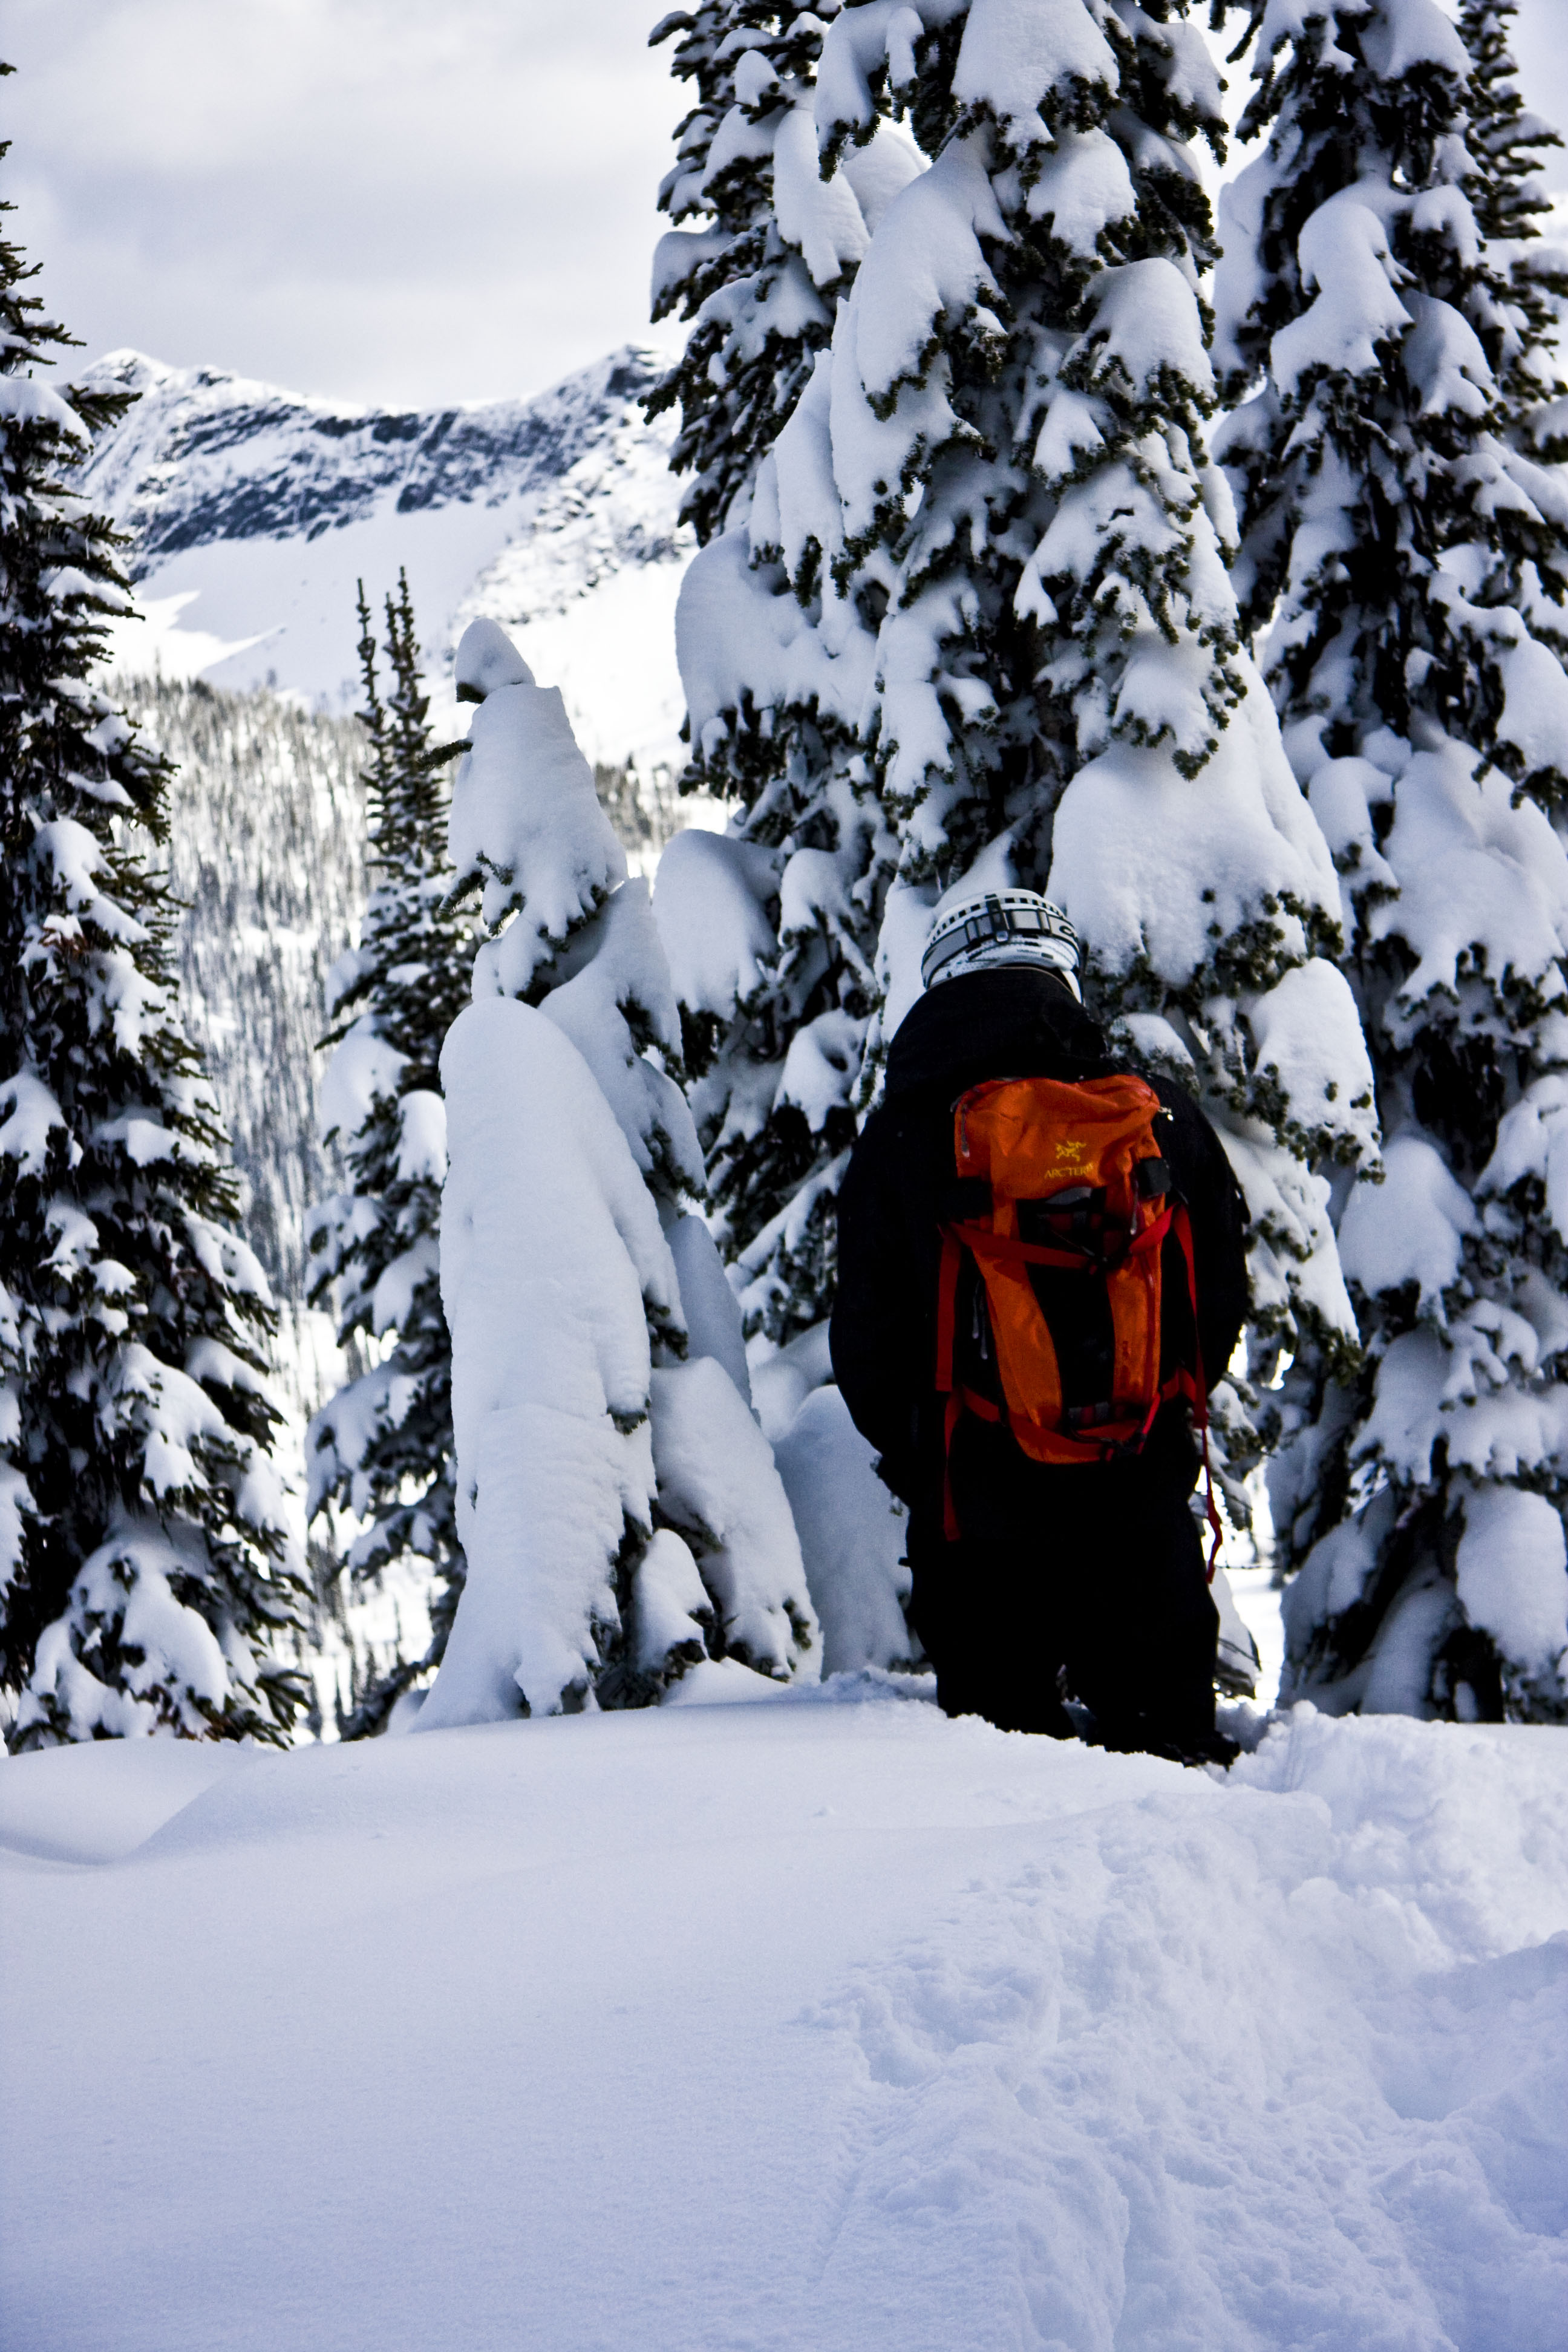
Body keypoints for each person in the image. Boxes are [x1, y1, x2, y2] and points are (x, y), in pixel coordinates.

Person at [830, 890, 1249, 1763]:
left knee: (1006, 1786)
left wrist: (930, 1455)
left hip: (976, 1526)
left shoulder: (903, 1137)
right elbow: (1217, 1300)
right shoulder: (1158, 1116)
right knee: (1171, 1770)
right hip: (1139, 1512)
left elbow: (867, 1348)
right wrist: (1150, 1411)